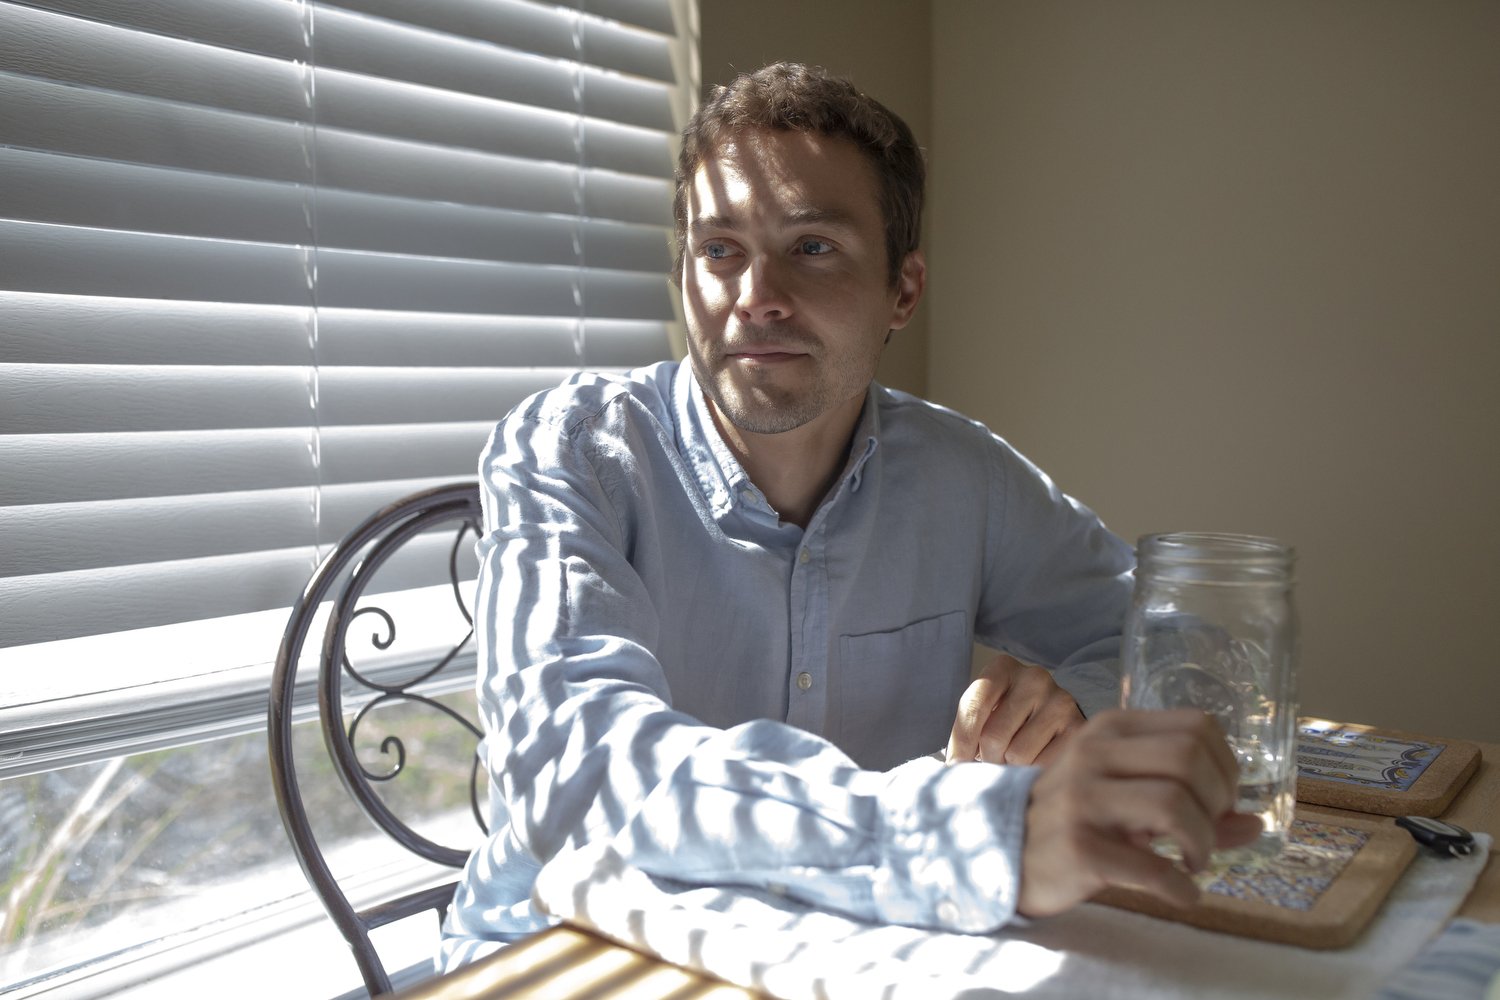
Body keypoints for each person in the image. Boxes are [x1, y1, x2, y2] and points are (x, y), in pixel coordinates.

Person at [440, 62, 1258, 968]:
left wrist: (1076, 705)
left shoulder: (962, 477)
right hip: (564, 954)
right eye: (719, 250)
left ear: (902, 292)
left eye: (812, 246)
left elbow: (1189, 644)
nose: (755, 294)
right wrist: (972, 834)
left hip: (853, 957)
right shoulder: (569, 450)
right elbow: (573, 764)